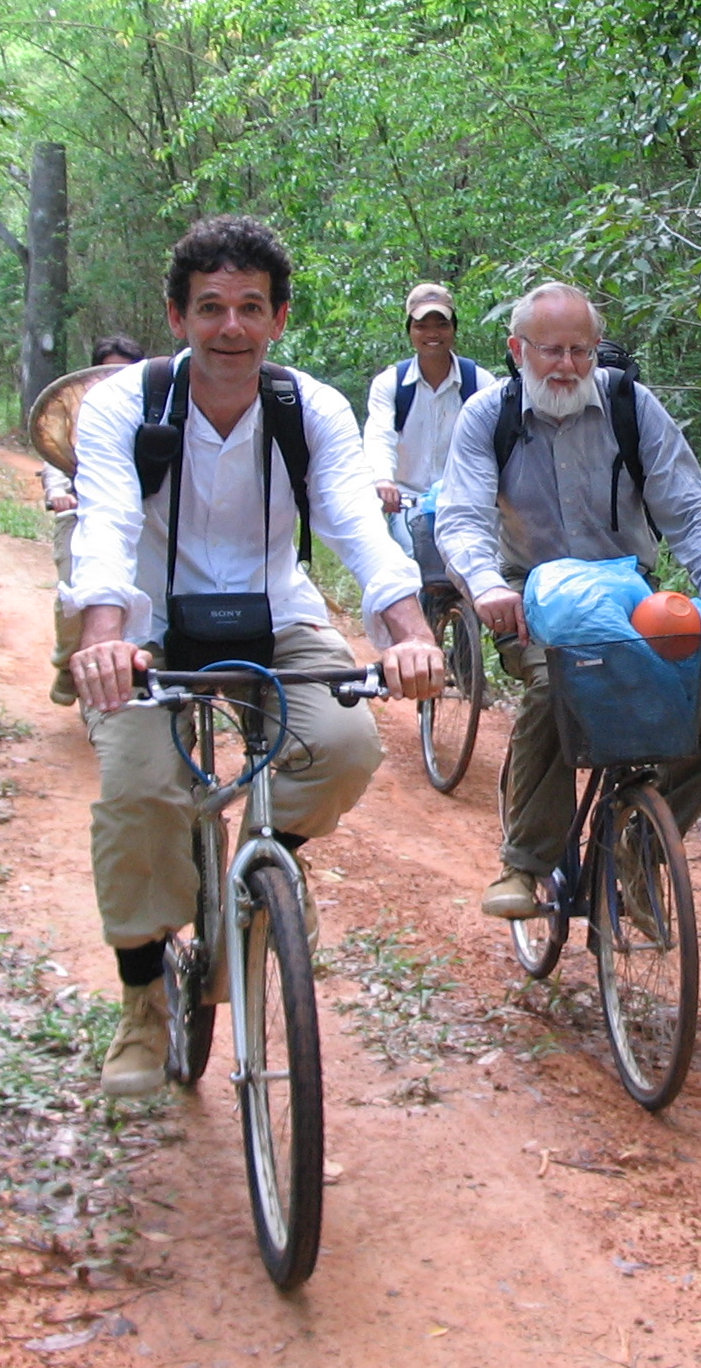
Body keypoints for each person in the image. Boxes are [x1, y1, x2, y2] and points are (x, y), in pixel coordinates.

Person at [63, 216, 447, 1097]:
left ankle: (261, 869)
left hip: (276, 611)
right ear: (176, 317)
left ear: (278, 319)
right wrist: (101, 640)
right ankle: (140, 1002)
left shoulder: (307, 408)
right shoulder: (126, 404)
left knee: (345, 746)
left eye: (248, 308)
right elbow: (110, 526)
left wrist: (411, 635)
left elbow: (357, 522)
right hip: (149, 621)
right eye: (209, 308)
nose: (228, 327)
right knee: (140, 790)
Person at [436, 283, 701, 920]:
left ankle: (642, 840)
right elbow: (463, 516)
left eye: (581, 350)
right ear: (517, 349)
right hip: (528, 597)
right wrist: (487, 585)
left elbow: (689, 506)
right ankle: (525, 866)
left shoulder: (631, 407)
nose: (567, 365)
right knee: (556, 691)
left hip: (629, 599)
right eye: (551, 350)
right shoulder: (487, 417)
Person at [361, 282, 493, 574]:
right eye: (422, 326)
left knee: (476, 569)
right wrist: (384, 480)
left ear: (454, 329)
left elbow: (494, 442)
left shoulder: (479, 383)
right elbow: (380, 434)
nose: (432, 334)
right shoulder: (391, 384)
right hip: (409, 502)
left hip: (463, 501)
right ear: (410, 331)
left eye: (441, 324)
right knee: (411, 566)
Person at [44, 333, 147, 705]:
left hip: (140, 514)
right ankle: (68, 664)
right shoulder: (79, 407)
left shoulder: (150, 407)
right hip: (80, 510)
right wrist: (57, 491)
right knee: (76, 591)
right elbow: (54, 451)